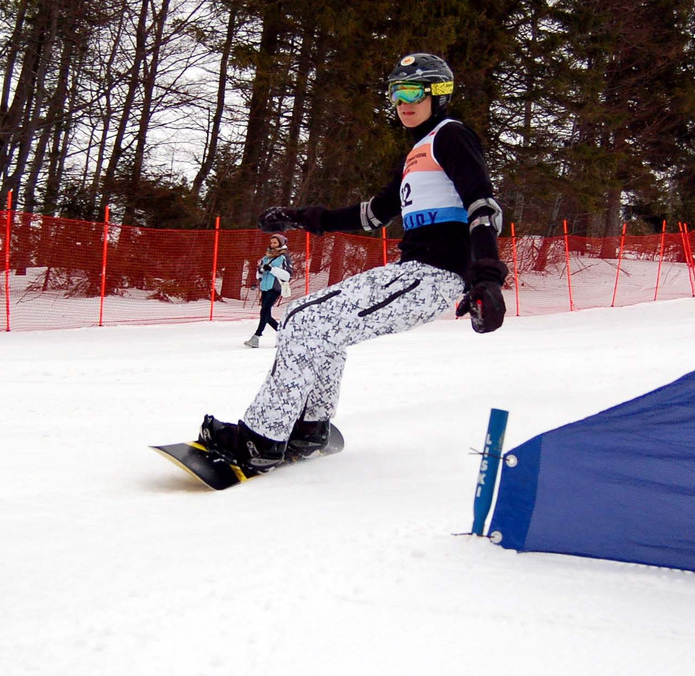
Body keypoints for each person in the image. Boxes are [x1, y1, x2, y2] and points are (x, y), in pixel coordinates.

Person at [200, 52, 508, 471]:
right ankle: (310, 429)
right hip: (413, 273)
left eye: (413, 91)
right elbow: (373, 214)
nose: (403, 102)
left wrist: (486, 277)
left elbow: (483, 205)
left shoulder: (451, 136)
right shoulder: (416, 154)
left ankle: (261, 440)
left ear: (438, 93)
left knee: (304, 322)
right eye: (396, 93)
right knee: (311, 321)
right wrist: (299, 217)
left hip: (434, 276)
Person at [244, 234, 293, 348]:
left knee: (264, 311)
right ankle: (284, 335)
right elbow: (259, 274)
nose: (272, 245)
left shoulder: (284, 257)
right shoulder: (266, 257)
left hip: (275, 287)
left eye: (275, 243)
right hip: (265, 287)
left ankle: (256, 336)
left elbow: (288, 275)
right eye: (271, 243)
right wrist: (261, 270)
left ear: (281, 244)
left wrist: (272, 269)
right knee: (266, 314)